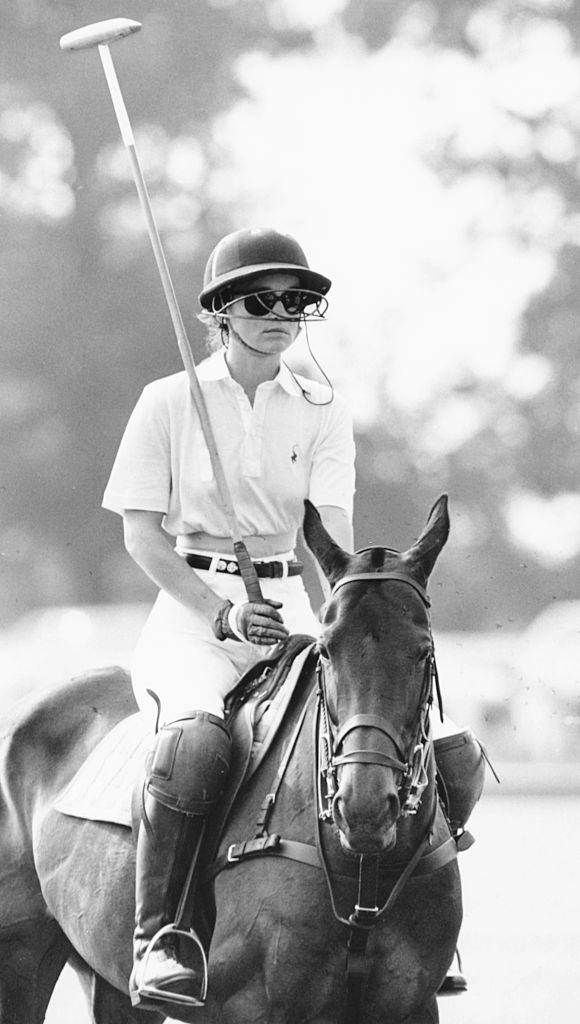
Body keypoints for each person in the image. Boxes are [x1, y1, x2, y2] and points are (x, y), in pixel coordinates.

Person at [102, 227, 356, 1010]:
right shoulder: (167, 401)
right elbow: (142, 535)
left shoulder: (323, 408)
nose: (281, 315)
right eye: (261, 301)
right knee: (198, 747)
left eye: (296, 300)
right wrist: (221, 617)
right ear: (220, 313)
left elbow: (332, 536)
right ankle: (160, 941)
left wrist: (347, 614)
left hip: (291, 603)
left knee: (393, 737)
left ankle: (398, 920)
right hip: (195, 614)